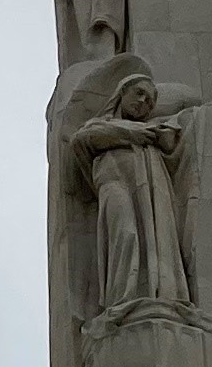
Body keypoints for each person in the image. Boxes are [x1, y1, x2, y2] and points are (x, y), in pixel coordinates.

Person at [68, 71, 189, 316]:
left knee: (153, 241)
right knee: (125, 234)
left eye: (150, 101)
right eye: (139, 94)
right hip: (114, 184)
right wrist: (130, 134)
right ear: (122, 93)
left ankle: (156, 296)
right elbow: (82, 141)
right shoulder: (101, 125)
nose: (143, 102)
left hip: (148, 191)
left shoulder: (149, 130)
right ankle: (121, 301)